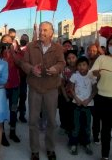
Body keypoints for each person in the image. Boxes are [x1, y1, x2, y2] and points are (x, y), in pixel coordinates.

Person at [20, 21, 66, 160]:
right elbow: (23, 63)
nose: (42, 32)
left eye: (45, 30)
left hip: (51, 89)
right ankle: (35, 150)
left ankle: (50, 148)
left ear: (52, 33)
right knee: (33, 121)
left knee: (51, 121)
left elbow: (62, 63)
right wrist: (31, 69)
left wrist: (56, 69)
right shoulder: (30, 46)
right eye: (41, 30)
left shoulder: (58, 47)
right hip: (34, 88)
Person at [69, 56, 95, 156]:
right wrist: (77, 99)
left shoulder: (91, 75)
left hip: (88, 105)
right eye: (79, 65)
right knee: (76, 126)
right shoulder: (75, 76)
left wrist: (88, 100)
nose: (81, 67)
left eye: (84, 65)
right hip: (77, 105)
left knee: (87, 126)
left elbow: (94, 89)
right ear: (76, 67)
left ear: (88, 66)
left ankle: (87, 143)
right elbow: (71, 89)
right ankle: (74, 144)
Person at [0, 34, 21, 146]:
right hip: (2, 87)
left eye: (9, 41)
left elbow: (20, 64)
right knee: (2, 110)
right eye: (5, 41)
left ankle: (12, 131)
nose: (7, 43)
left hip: (14, 86)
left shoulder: (17, 53)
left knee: (13, 109)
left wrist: (12, 52)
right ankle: (2, 133)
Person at [59, 50, 78, 136]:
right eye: (68, 58)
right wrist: (66, 97)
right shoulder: (64, 70)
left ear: (77, 58)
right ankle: (67, 128)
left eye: (73, 57)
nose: (71, 60)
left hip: (78, 97)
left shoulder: (81, 68)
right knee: (67, 114)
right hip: (67, 96)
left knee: (76, 116)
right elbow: (62, 85)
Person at [18, 34, 30, 123]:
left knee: (23, 97)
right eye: (22, 39)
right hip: (15, 78)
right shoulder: (16, 49)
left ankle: (22, 115)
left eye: (25, 39)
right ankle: (13, 116)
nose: (23, 40)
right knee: (14, 99)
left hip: (23, 78)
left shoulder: (29, 51)